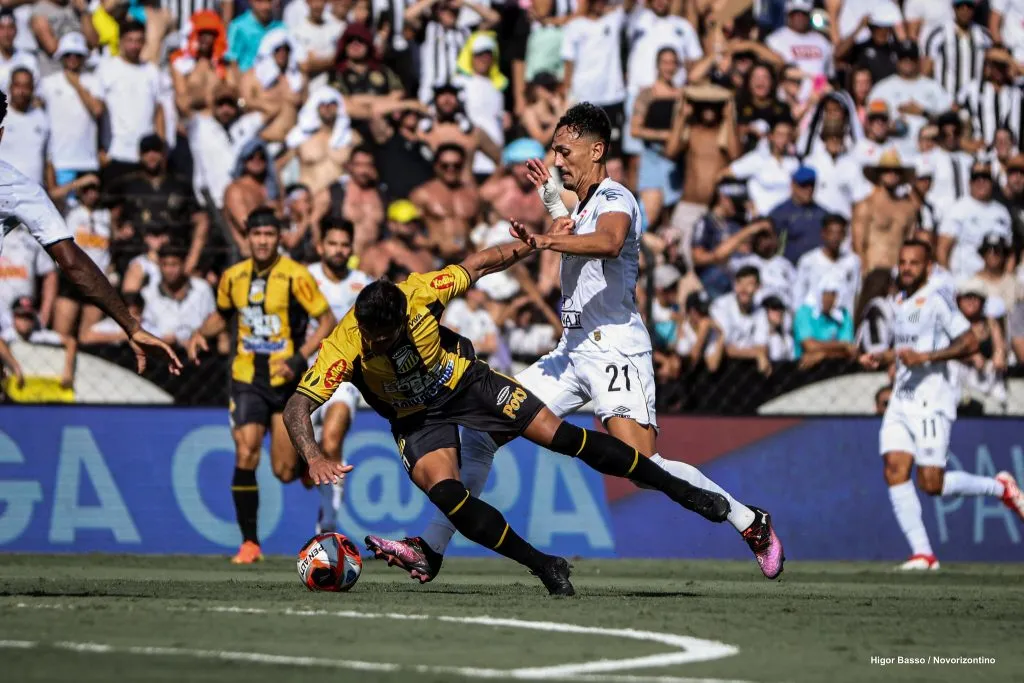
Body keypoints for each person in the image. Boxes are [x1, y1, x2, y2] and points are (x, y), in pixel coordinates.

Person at [358, 103, 783, 585]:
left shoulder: (617, 197)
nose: (558, 160)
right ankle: (429, 549)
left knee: (642, 467)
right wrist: (552, 205)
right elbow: (576, 228)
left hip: (615, 348)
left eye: (565, 150)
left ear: (596, 150)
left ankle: (749, 521)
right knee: (482, 433)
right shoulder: (582, 203)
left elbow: (606, 242)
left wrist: (542, 240)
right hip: (570, 351)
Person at [283, 249, 731, 597]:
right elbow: (297, 406)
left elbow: (478, 264)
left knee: (563, 437)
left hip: (466, 384)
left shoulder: (420, 292)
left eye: (385, 335)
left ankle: (683, 490)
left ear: (403, 317)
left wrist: (528, 245)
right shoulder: (344, 343)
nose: (375, 342)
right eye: (370, 335)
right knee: (450, 496)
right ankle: (545, 566)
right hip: (415, 418)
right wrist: (314, 454)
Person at [859, 240, 1024, 570]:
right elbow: (909, 347)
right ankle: (924, 554)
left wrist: (927, 357)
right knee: (894, 469)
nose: (906, 268)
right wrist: (885, 356)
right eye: (903, 262)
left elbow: (969, 341)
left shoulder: (936, 300)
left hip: (931, 402)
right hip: (902, 399)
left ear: (928, 267)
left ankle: (1000, 487)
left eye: (914, 263)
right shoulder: (899, 300)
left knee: (932, 484)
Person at [186, 208, 337, 564]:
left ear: (279, 238)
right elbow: (221, 316)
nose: (263, 240)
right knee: (245, 452)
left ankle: (299, 464)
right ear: (248, 237)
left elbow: (327, 319)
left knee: (283, 472)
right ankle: (250, 543)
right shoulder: (233, 277)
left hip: (285, 382)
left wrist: (299, 359)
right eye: (257, 234)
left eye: (269, 234)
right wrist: (198, 335)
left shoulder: (294, 276)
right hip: (246, 379)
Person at [0, 91, 179, 376]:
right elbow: (71, 261)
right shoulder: (19, 189)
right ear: (1, 135)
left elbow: (72, 261)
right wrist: (131, 326)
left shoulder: (19, 189)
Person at [306, 220, 373, 533]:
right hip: (304, 374)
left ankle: (328, 520)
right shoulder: (304, 278)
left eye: (344, 245)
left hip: (345, 377)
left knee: (333, 437)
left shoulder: (363, 284)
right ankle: (310, 457)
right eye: (332, 244)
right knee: (285, 466)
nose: (338, 250)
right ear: (321, 246)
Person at [937, 160, 1013, 280]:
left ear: (992, 181)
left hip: (995, 283)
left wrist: (1006, 280)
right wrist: (948, 280)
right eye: (976, 177)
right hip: (965, 283)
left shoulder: (1002, 212)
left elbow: (1010, 254)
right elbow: (942, 250)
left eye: (986, 177)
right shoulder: (958, 209)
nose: (981, 181)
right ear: (969, 182)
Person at [853, 149, 918, 274]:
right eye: (887, 170)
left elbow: (909, 244)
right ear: (879, 174)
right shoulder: (866, 205)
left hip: (898, 272)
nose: (892, 174)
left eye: (896, 171)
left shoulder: (908, 208)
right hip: (872, 270)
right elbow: (858, 245)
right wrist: (865, 272)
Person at [794, 213, 861, 315]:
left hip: (842, 324)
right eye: (831, 233)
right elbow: (798, 295)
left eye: (839, 233)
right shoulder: (808, 261)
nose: (835, 237)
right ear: (823, 234)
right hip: (814, 323)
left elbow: (855, 294)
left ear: (844, 235)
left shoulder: (853, 262)